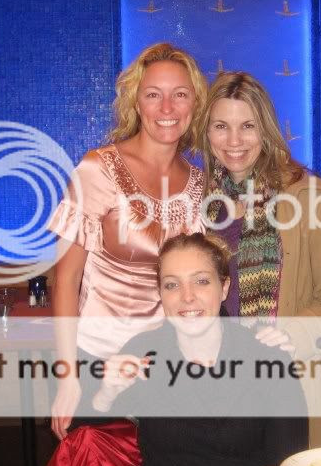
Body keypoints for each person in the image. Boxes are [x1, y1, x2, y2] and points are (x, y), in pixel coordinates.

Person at [48, 43, 208, 441]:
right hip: (95, 357)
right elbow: (64, 280)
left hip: (164, 362)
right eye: (154, 94)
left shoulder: (200, 183)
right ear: (136, 102)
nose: (167, 107)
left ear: (195, 104)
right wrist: (68, 377)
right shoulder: (98, 168)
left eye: (180, 94)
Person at [93, 233, 308, 466]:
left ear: (224, 287)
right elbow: (84, 434)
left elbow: (289, 462)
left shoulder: (266, 355)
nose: (187, 296)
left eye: (202, 281)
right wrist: (105, 394)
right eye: (172, 285)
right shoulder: (143, 352)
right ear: (160, 293)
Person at [197, 71, 321, 447]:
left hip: (286, 377)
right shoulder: (202, 199)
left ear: (266, 130)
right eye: (221, 126)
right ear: (207, 132)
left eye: (247, 126)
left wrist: (293, 333)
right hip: (217, 383)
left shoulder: (307, 197)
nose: (234, 141)